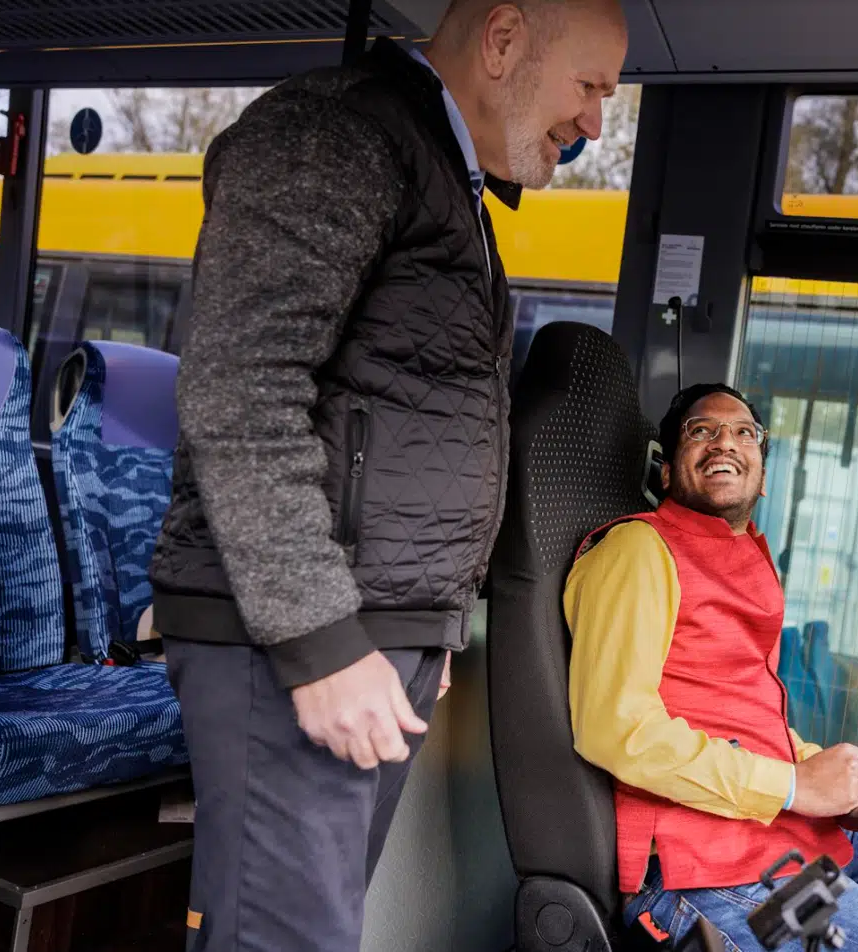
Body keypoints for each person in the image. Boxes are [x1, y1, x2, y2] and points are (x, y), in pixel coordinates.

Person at [147, 2, 628, 949]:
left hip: (376, 625)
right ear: (503, 41)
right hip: (292, 631)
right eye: (589, 86)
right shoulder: (336, 136)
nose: (596, 123)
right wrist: (320, 640)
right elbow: (240, 391)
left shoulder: (444, 174)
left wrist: (431, 619)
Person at [565, 383, 858, 952]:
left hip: (777, 835)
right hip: (703, 870)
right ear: (666, 473)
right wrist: (794, 786)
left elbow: (745, 722)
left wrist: (845, 772)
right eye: (701, 431)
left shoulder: (742, 554)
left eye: (745, 433)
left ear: (763, 475)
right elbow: (618, 730)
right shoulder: (638, 550)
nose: (725, 442)